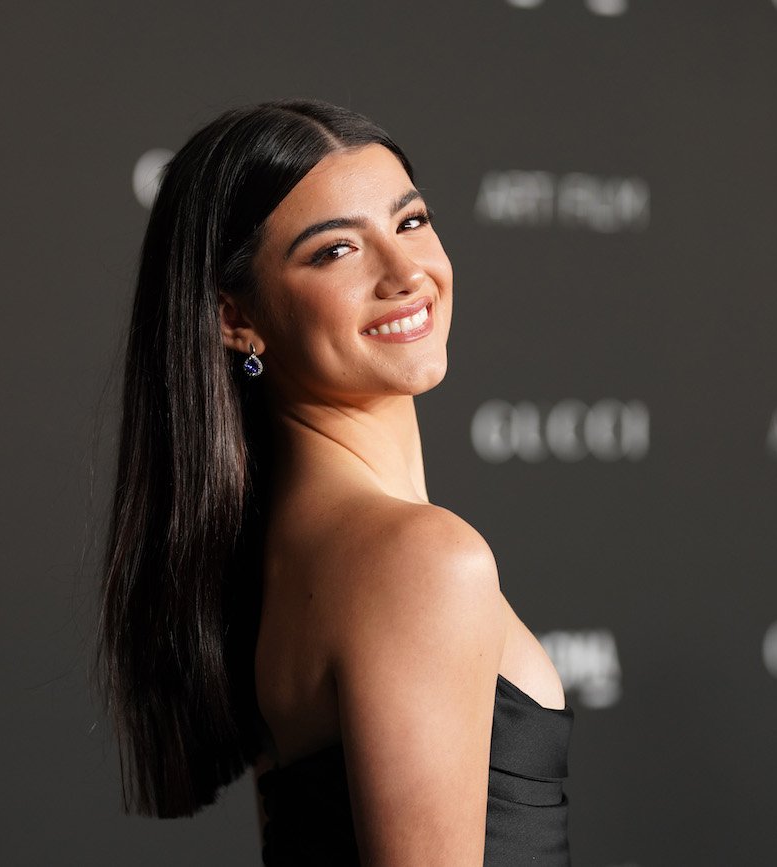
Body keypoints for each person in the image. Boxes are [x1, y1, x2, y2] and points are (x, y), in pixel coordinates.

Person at [96, 98, 573, 865]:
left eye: (411, 222)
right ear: (234, 317)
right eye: (335, 251)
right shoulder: (419, 560)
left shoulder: (271, 556)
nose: (405, 272)